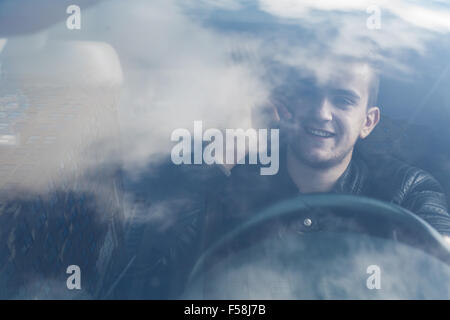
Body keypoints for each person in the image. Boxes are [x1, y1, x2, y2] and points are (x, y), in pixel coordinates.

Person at [109, 58, 450, 299]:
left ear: (368, 122)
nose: (321, 112)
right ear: (286, 106)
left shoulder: (406, 190)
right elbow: (142, 277)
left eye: (343, 100)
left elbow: (443, 262)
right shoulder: (231, 180)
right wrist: (217, 162)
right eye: (309, 94)